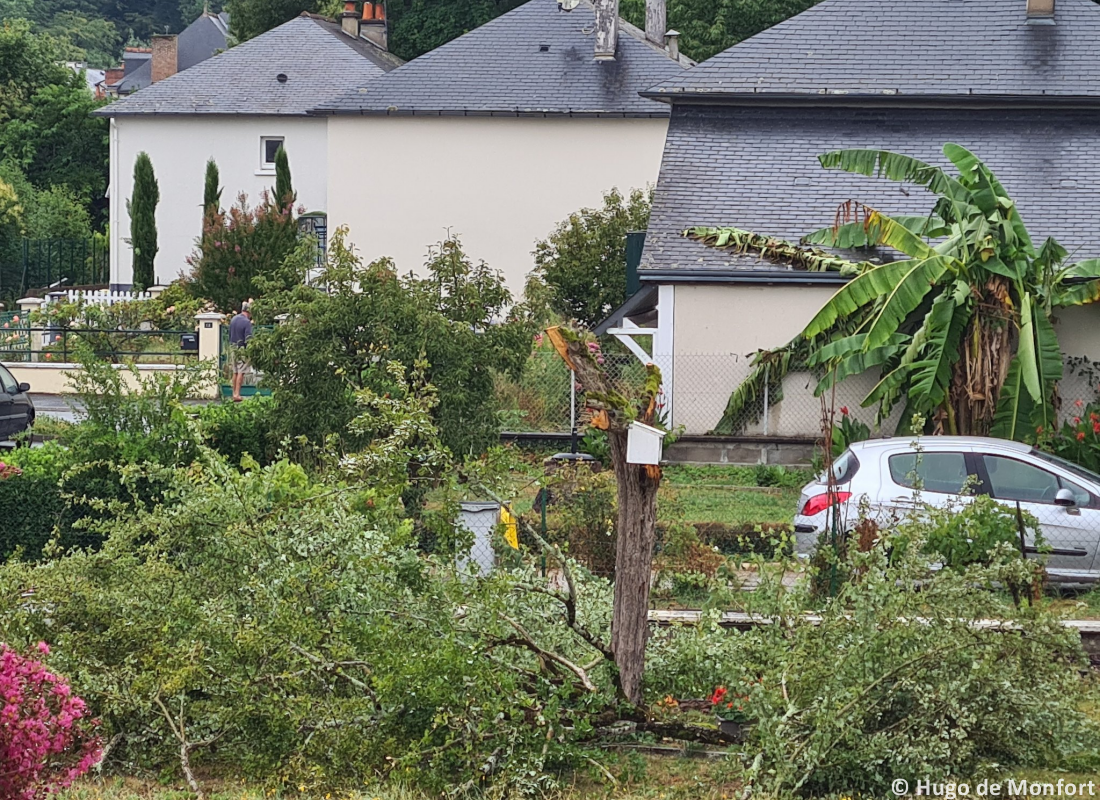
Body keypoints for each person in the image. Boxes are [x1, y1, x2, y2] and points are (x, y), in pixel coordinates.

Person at [228, 301, 253, 402]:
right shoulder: (246, 322)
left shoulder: (234, 319)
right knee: (241, 372)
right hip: (242, 349)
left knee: (235, 371)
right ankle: (237, 394)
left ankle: (233, 393)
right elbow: (248, 338)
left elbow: (229, 334)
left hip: (233, 347)